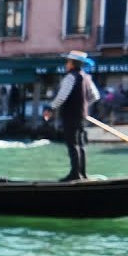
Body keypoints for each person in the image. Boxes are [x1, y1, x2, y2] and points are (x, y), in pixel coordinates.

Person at [43, 50, 101, 181]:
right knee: (80, 145)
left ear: (72, 63)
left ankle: (75, 175)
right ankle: (83, 174)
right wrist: (83, 106)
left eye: (67, 62)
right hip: (82, 116)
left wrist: (50, 108)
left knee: (72, 145)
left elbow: (61, 97)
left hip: (71, 116)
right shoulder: (86, 77)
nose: (66, 65)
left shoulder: (71, 77)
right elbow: (95, 96)